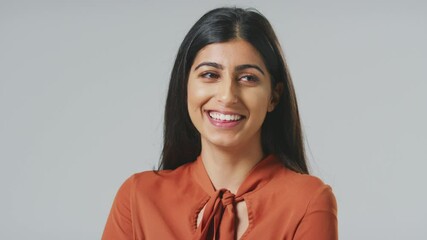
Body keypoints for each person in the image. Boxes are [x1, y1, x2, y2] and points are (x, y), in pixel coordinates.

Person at [102, 7, 338, 240]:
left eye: (248, 78)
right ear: (185, 86)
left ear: (273, 97)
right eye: (210, 75)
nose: (227, 96)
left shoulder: (308, 201)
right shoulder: (138, 198)